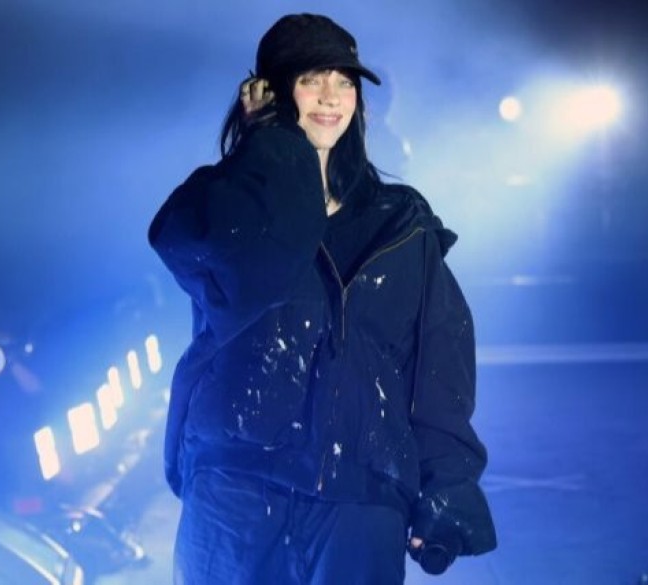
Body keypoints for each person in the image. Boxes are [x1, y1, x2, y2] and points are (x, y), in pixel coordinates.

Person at [149, 13, 496, 584]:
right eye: (311, 79)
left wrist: (448, 485)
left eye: (344, 81)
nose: (331, 97)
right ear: (269, 92)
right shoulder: (223, 204)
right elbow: (213, 261)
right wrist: (271, 148)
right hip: (239, 489)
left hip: (360, 498)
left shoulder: (401, 222)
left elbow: (437, 363)